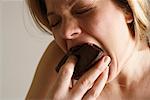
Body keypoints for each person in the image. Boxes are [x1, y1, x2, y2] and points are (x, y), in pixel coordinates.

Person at [25, 0, 150, 99]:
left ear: (128, 8)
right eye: (55, 22)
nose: (66, 32)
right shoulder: (57, 66)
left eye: (83, 10)